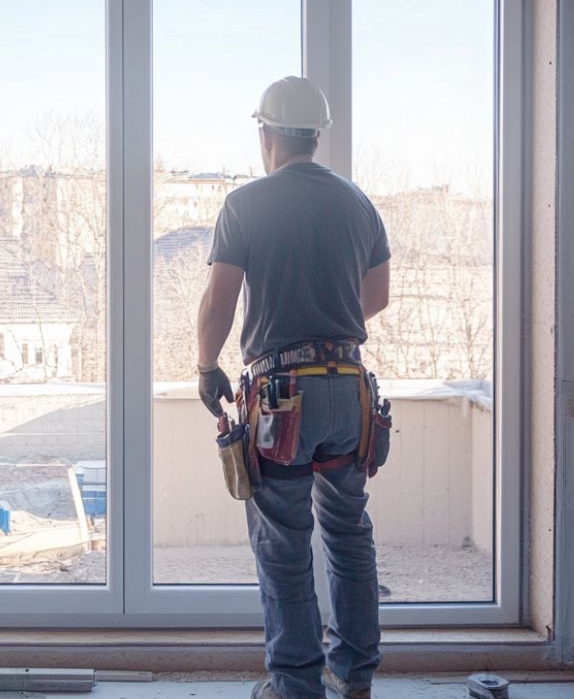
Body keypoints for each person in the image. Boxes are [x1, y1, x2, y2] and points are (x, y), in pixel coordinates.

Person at [195, 76, 392, 699]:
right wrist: (327, 313)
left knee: (283, 540)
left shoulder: (246, 204)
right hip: (347, 389)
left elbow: (220, 299)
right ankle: (355, 676)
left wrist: (207, 366)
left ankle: (295, 685)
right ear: (315, 135)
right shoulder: (357, 202)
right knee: (348, 531)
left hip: (282, 397)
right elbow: (378, 297)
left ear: (266, 135)